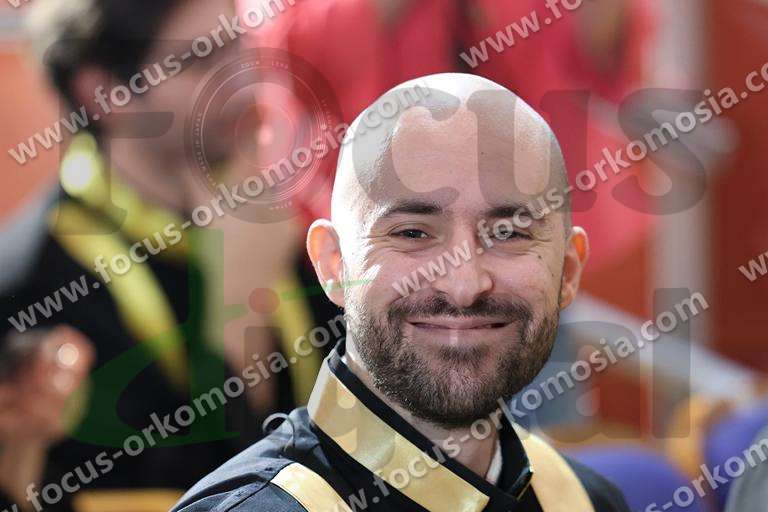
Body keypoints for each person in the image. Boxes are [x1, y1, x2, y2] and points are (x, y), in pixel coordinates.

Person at [173, 73, 630, 511]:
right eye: (412, 233)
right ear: (333, 264)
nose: (463, 285)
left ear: (568, 271)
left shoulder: (587, 501)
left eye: (508, 233)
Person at [0, 0, 340, 509]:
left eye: (238, 43)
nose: (242, 83)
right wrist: (236, 311)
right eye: (200, 60)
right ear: (105, 92)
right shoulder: (35, 286)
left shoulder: (277, 216)